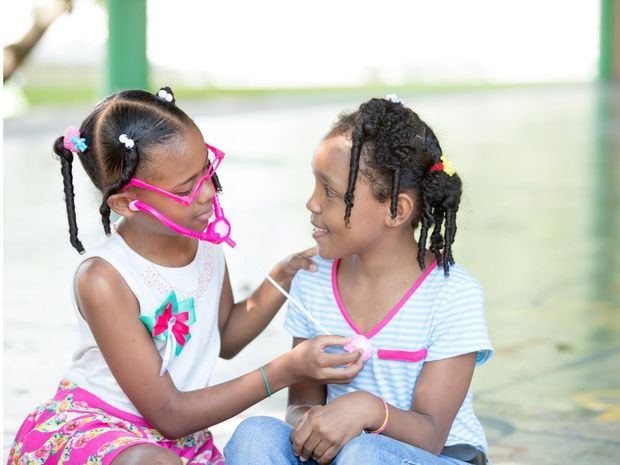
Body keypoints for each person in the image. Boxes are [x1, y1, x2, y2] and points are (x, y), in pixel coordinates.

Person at [7, 87, 364, 465]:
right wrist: (285, 370)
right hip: (102, 429)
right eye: (185, 188)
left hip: (178, 442)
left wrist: (283, 275)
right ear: (128, 203)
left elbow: (223, 337)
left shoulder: (205, 242)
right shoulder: (104, 278)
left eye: (207, 171)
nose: (207, 193)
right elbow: (169, 414)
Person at [225, 95, 493, 465]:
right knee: (255, 436)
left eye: (331, 192)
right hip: (340, 456)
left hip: (441, 456)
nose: (312, 203)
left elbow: (431, 436)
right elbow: (302, 403)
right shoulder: (314, 281)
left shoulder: (452, 295)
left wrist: (367, 410)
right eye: (315, 185)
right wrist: (311, 425)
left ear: (396, 210)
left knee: (363, 454)